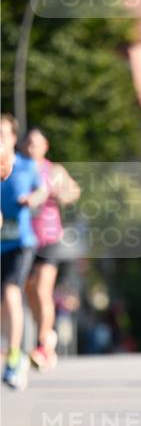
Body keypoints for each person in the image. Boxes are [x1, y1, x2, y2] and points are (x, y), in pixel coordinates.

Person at [23, 127, 81, 370]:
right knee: (29, 290)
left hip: (49, 237)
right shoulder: (19, 168)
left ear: (45, 147)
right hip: (25, 238)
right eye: (28, 143)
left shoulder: (53, 170)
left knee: (42, 289)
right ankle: (46, 335)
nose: (31, 148)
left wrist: (58, 195)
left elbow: (74, 191)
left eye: (36, 144)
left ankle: (41, 343)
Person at [1, 114, 46, 390]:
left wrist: (33, 199)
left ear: (13, 138)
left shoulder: (27, 166)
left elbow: (42, 191)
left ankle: (15, 359)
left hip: (20, 243)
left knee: (11, 292)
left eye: (3, 135)